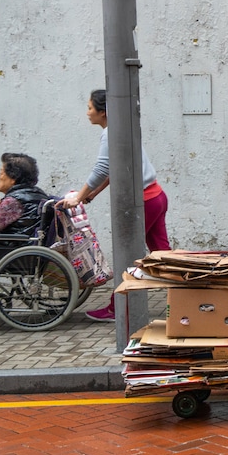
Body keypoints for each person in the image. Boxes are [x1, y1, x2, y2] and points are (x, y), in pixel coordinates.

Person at [60, 89, 171, 322]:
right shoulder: (123, 130)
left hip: (143, 202)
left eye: (90, 107)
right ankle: (185, 297)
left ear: (104, 112)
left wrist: (78, 198)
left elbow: (101, 169)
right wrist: (95, 193)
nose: (87, 112)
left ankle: (116, 308)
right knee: (164, 257)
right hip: (156, 197)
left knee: (127, 255)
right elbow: (115, 168)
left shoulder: (110, 134)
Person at [0, 153, 50, 236]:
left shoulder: (14, 201)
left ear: (13, 178)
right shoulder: (40, 195)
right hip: (29, 244)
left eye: (1, 173)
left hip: (13, 245)